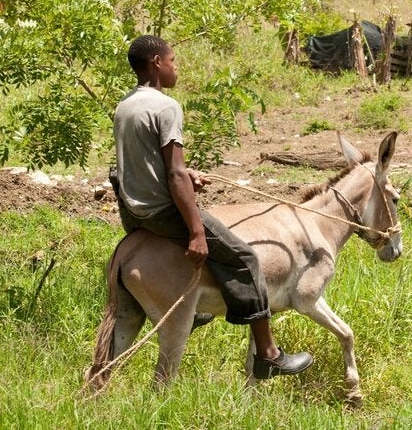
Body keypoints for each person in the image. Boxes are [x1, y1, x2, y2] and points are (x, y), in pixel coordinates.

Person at [112, 35, 312, 379]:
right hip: (162, 213)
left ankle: (201, 311)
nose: (176, 67)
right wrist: (195, 231)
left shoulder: (126, 104)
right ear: (157, 63)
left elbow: (140, 161)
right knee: (246, 258)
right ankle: (268, 353)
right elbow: (173, 174)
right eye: (172, 60)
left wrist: (186, 173)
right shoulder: (166, 107)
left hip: (133, 212)